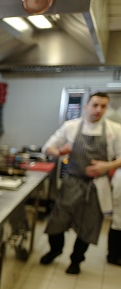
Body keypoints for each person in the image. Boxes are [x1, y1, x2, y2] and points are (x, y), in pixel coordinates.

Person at [40, 92, 121, 274]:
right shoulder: (71, 127)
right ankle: (55, 250)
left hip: (97, 186)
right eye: (95, 105)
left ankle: (76, 260)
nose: (98, 109)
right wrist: (60, 151)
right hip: (71, 183)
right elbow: (47, 148)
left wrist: (107, 165)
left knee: (88, 226)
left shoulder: (114, 130)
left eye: (103, 106)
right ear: (86, 106)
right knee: (57, 222)